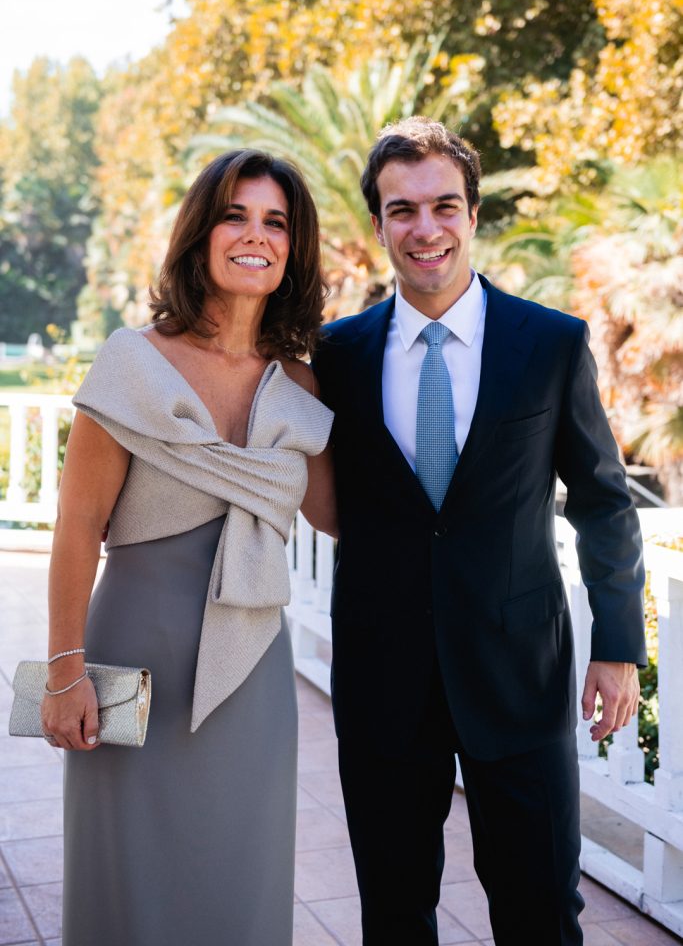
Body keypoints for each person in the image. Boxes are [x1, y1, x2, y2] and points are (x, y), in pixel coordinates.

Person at [311, 117, 647, 946]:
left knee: (540, 913)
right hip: (382, 677)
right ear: (377, 223)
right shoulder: (334, 356)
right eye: (401, 210)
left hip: (517, 676)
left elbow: (602, 501)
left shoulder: (550, 343)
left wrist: (615, 646)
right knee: (394, 914)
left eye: (443, 206)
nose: (424, 229)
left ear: (472, 214)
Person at [41, 149, 336, 946]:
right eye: (235, 216)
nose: (255, 235)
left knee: (242, 865)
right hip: (133, 658)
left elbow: (339, 517)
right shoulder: (132, 362)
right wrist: (64, 672)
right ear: (200, 234)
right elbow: (78, 527)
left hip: (253, 665)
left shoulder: (300, 386)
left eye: (276, 222)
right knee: (129, 870)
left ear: (294, 247)